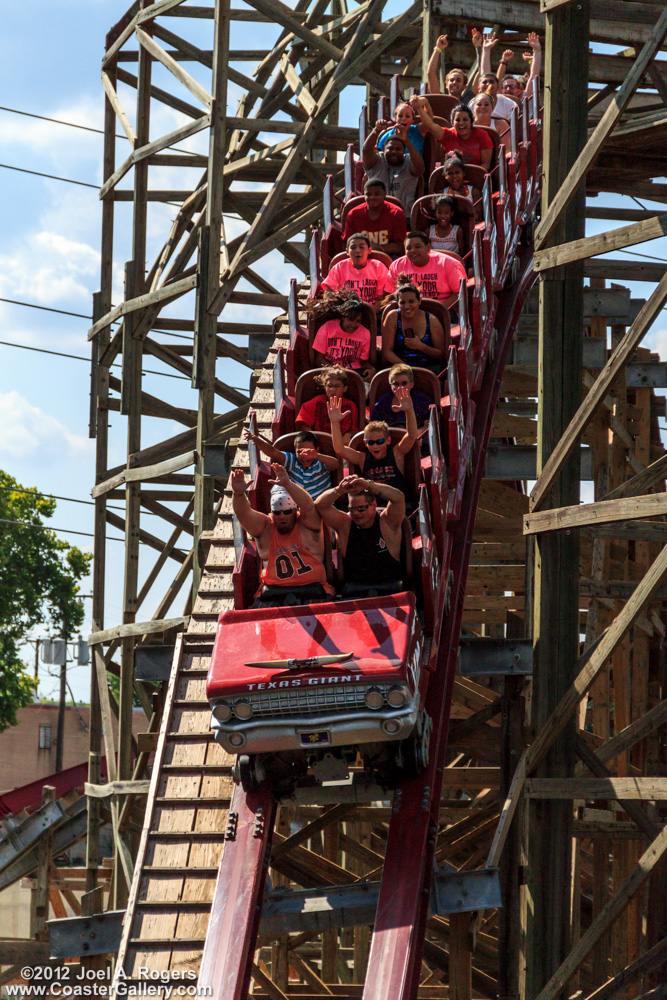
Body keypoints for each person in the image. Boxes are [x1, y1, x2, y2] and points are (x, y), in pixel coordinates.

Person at [230, 464, 333, 607]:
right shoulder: (265, 526)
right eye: (277, 513)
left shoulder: (307, 524)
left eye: (287, 511)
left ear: (295, 509)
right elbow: (244, 514)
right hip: (272, 595)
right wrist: (239, 495)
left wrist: (288, 484)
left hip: (314, 592)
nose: (282, 516)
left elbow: (309, 506)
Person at [315, 476, 406, 598]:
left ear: (374, 505)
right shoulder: (345, 526)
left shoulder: (387, 522)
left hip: (391, 591)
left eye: (361, 509)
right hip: (355, 593)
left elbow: (398, 498)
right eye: (351, 509)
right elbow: (320, 505)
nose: (356, 513)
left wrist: (370, 485)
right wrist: (340, 489)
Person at [327, 389, 417, 501]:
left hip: (395, 505)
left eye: (380, 442)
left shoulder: (396, 453)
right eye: (370, 442)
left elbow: (412, 435)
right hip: (371, 508)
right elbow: (340, 449)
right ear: (365, 443)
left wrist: (409, 410)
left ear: (388, 440)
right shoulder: (362, 458)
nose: (375, 446)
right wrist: (335, 423)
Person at [244, 428, 338, 501]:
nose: (305, 456)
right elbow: (272, 452)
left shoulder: (321, 461)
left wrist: (316, 456)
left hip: (322, 506)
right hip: (298, 508)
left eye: (308, 451)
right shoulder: (292, 460)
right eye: (300, 451)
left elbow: (335, 464)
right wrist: (256, 440)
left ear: (316, 450)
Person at [381, 281, 447, 374]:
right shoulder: (393, 316)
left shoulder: (432, 320)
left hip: (428, 369)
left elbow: (441, 355)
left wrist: (421, 346)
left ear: (419, 301)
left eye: (411, 301)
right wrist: (406, 369)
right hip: (400, 369)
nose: (407, 306)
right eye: (402, 302)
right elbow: (387, 352)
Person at [387, 231, 466, 307]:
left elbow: (460, 293)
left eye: (417, 247)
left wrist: (440, 309)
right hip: (408, 310)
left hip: (442, 309)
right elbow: (390, 294)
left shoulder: (449, 264)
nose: (413, 251)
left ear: (428, 247)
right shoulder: (397, 266)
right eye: (409, 248)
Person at [411, 98, 493, 171]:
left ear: (471, 122)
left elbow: (485, 165)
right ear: (452, 123)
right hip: (451, 178)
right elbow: (430, 125)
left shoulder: (482, 135)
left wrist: (466, 176)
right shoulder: (448, 135)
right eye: (457, 120)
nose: (461, 123)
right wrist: (422, 106)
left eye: (465, 120)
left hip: (474, 179)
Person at [310, 292, 375, 379]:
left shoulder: (365, 333)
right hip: (331, 371)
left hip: (354, 372)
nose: (353, 325)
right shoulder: (328, 327)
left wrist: (371, 369)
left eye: (358, 321)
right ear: (343, 317)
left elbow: (363, 361)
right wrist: (334, 372)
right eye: (350, 319)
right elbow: (319, 359)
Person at [321, 233, 392, 313]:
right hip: (345, 313)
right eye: (353, 248)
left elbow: (383, 299)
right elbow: (328, 292)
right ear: (347, 252)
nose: (357, 250)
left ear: (369, 250)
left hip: (372, 313)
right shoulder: (339, 267)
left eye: (362, 247)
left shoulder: (378, 267)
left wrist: (369, 312)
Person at [362, 125, 424, 216]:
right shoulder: (377, 161)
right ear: (384, 150)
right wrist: (376, 131)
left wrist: (406, 140)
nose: (394, 152)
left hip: (404, 217)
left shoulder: (409, 161)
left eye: (398, 149)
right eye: (390, 149)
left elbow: (420, 168)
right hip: (376, 217)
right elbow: (366, 150)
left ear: (404, 151)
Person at [342, 179, 407, 258]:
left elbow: (400, 246)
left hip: (388, 256)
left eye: (377, 194)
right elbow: (347, 243)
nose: (372, 197)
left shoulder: (396, 213)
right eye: (368, 194)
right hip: (359, 256)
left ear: (384, 194)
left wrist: (378, 249)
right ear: (364, 195)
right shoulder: (353, 214)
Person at [295, 366, 358, 444]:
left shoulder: (351, 406)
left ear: (345, 388)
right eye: (329, 386)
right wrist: (313, 439)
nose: (332, 389)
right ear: (325, 387)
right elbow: (303, 425)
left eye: (337, 386)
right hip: (319, 445)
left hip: (343, 447)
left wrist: (349, 434)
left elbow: (354, 430)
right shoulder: (315, 402)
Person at [371, 363, 434, 431]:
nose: (400, 387)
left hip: (418, 439)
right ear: (391, 385)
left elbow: (431, 422)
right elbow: (374, 426)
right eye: (396, 384)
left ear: (411, 384)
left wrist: (419, 433)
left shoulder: (422, 400)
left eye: (404, 383)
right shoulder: (383, 402)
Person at [426, 34, 477, 104]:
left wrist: (479, 47)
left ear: (464, 86)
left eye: (458, 80)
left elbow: (481, 73)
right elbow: (430, 73)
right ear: (446, 85)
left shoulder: (469, 99)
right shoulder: (441, 98)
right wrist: (438, 48)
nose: (454, 82)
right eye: (451, 80)